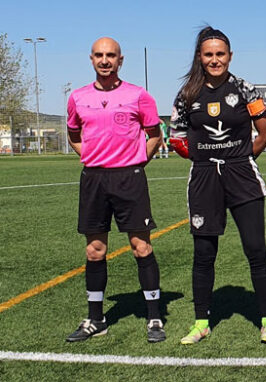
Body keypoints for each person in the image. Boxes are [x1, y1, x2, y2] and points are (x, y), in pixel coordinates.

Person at [169, 26, 266, 344]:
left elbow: (265, 133)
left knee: (255, 249)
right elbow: (176, 137)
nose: (215, 60)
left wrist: (242, 159)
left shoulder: (246, 89)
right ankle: (201, 322)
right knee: (203, 253)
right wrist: (203, 159)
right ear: (200, 58)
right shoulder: (187, 94)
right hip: (204, 178)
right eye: (208, 54)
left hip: (242, 175)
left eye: (220, 54)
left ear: (229, 56)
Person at [65, 37, 165, 343]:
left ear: (120, 60)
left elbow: (154, 134)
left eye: (111, 55)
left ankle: (154, 318)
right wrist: (90, 157)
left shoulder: (138, 95)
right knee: (95, 250)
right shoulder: (78, 97)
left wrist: (136, 162)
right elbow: (73, 133)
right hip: (94, 179)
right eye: (99, 55)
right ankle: (96, 319)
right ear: (91, 59)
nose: (105, 60)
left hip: (129, 178)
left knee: (141, 246)